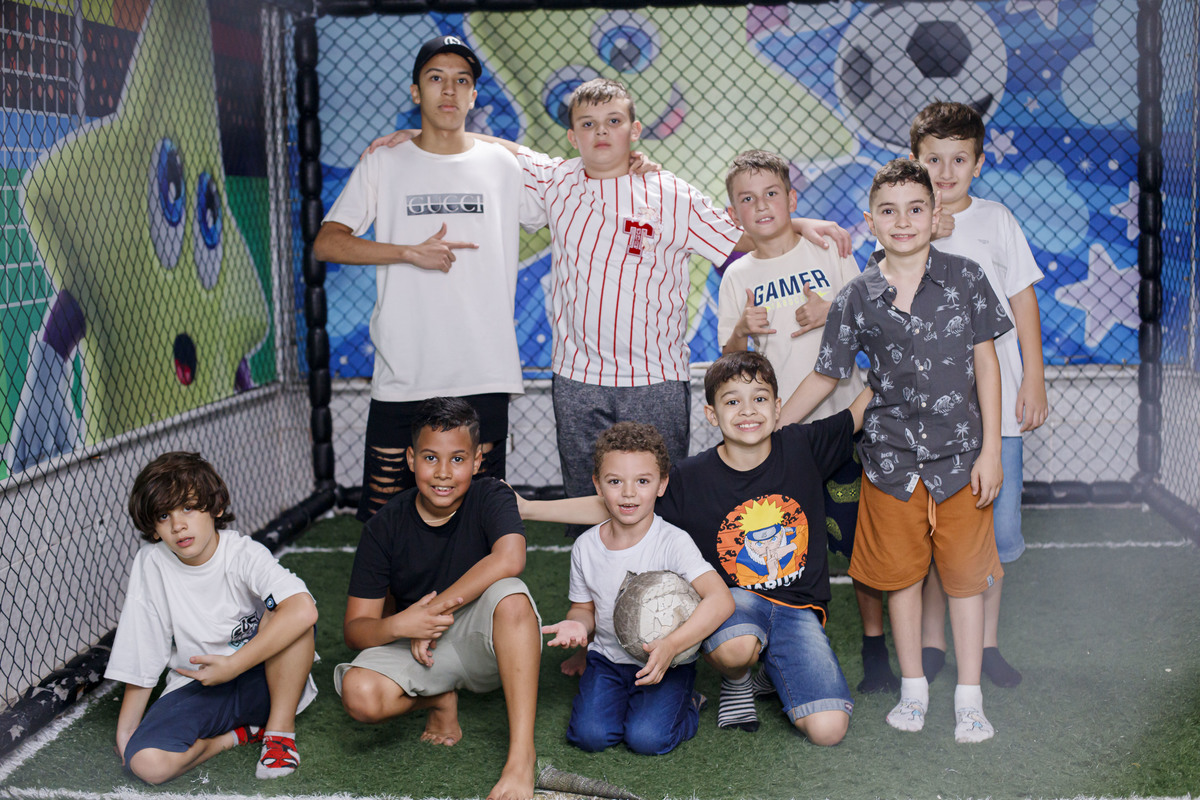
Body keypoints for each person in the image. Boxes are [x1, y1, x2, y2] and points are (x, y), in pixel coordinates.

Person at [370, 77, 852, 541]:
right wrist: (427, 135)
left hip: (655, 376)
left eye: (614, 121)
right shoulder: (557, 181)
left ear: (634, 130)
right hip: (578, 377)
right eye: (588, 123)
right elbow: (504, 150)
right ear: (572, 136)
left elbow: (740, 237)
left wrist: (798, 223)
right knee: (589, 502)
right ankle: (595, 590)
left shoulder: (671, 193)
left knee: (660, 502)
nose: (601, 132)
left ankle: (660, 591)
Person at [523, 352, 872, 744]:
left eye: (759, 398)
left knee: (828, 731)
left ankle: (769, 675)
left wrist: (900, 358)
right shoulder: (692, 477)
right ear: (711, 414)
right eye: (732, 401)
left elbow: (859, 411)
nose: (747, 410)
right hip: (736, 604)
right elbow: (616, 503)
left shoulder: (804, 445)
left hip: (798, 609)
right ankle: (738, 679)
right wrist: (529, 509)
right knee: (736, 646)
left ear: (777, 408)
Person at [780, 159, 1012, 743]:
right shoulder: (856, 295)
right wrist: (774, 427)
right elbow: (826, 374)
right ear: (870, 222)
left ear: (935, 216)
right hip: (889, 463)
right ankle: (914, 690)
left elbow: (986, 364)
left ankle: (969, 698)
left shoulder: (966, 278)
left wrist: (991, 451)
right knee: (901, 578)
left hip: (961, 461)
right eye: (889, 210)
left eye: (915, 209)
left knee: (964, 581)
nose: (903, 221)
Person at [312, 35, 545, 521]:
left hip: (483, 370)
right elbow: (328, 242)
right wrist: (407, 252)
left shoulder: (504, 165)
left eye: (462, 80)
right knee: (385, 521)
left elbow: (576, 179)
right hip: (405, 372)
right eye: (436, 78)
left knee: (481, 520)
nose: (449, 90)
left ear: (474, 96)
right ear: (416, 91)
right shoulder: (384, 162)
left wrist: (633, 161)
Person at [716, 149, 898, 694]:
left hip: (845, 424)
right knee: (777, 545)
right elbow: (729, 361)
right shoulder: (738, 275)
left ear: (792, 199)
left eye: (771, 193)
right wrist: (742, 332)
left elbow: (876, 323)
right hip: (781, 437)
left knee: (861, 539)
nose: (761, 206)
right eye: (747, 199)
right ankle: (771, 649)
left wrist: (833, 311)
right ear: (735, 213)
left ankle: (875, 647)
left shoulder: (827, 250)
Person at [334, 397, 541, 800]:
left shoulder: (491, 495)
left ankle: (521, 757)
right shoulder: (383, 527)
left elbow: (510, 558)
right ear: (411, 459)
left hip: (484, 646)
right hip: (420, 648)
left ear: (477, 461)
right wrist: (403, 624)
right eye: (430, 457)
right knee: (359, 695)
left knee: (512, 599)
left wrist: (433, 611)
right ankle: (438, 699)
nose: (443, 472)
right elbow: (356, 630)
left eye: (457, 459)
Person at [909, 101, 1049, 688]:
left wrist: (1034, 376)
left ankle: (988, 645)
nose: (945, 172)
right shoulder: (907, 222)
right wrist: (924, 238)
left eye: (959, 159)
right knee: (936, 533)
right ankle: (933, 644)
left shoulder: (997, 220)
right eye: (933, 160)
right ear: (915, 161)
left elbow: (1022, 299)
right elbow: (886, 297)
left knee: (995, 532)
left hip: (996, 415)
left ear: (979, 163)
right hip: (930, 416)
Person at [106, 452, 318, 783]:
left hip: (263, 679)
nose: (178, 525)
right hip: (200, 686)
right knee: (147, 764)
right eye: (164, 515)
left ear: (215, 508)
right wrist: (127, 732)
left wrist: (233, 665)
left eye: (188, 507)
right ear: (154, 527)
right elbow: (143, 647)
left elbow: (304, 609)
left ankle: (278, 735)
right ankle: (237, 736)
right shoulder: (152, 562)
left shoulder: (242, 553)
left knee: (290, 611)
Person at [542, 421, 734, 755]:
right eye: (615, 481)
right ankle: (629, 700)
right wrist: (578, 625)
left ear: (662, 484)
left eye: (642, 481)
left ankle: (689, 702)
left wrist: (672, 645)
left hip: (666, 662)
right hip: (607, 660)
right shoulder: (586, 546)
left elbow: (721, 600)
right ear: (598, 485)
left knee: (647, 739)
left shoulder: (673, 542)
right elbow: (583, 608)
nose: (628, 493)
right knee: (589, 737)